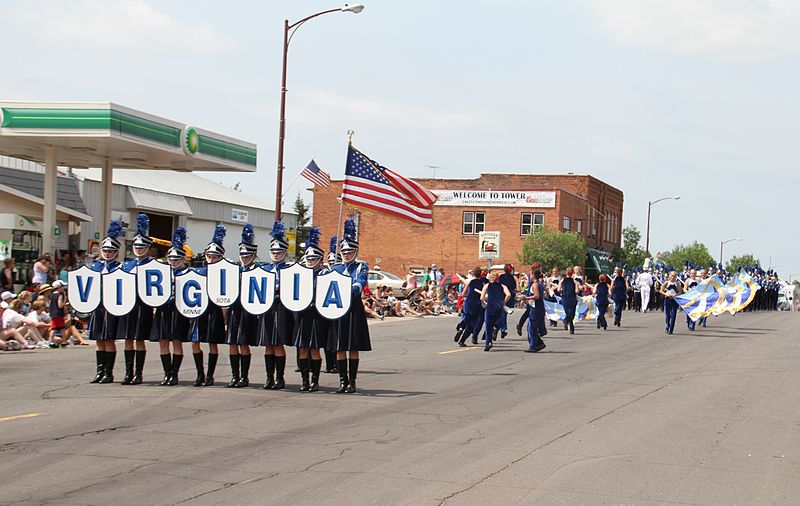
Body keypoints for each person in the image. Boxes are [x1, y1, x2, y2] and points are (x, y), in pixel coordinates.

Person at [327, 219, 371, 393]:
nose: (346, 254)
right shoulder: (335, 268)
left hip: (353, 309)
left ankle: (352, 381)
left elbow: (359, 284)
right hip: (338, 310)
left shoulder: (361, 266)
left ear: (355, 251)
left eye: (349, 251)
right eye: (344, 251)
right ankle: (342, 381)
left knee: (352, 346)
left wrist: (348, 288)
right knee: (339, 347)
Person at [152, 227, 194, 386]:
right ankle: (166, 373)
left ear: (183, 260)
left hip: (179, 310)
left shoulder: (188, 273)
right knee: (163, 342)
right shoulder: (162, 273)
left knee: (176, 342)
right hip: (164, 309)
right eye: (171, 259)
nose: (173, 262)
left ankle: (174, 374)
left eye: (177, 259)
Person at [117, 213, 154, 385]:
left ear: (147, 248)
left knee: (139, 339)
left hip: (143, 306)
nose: (139, 249)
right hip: (128, 305)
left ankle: (138, 374)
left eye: (142, 247)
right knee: (127, 339)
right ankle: (128, 372)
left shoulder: (153, 265)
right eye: (136, 247)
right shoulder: (126, 265)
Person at [88, 221, 124, 383]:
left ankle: (109, 372)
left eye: (111, 251)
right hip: (98, 306)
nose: (107, 253)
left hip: (111, 306)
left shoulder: (120, 268)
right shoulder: (94, 266)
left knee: (109, 339)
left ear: (116, 252)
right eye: (105, 250)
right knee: (98, 339)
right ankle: (99, 371)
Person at [294, 226, 328, 392]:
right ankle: (304, 380)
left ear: (320, 260)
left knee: (314, 348)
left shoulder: (324, 274)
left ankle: (315, 380)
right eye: (308, 259)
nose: (310, 262)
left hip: (316, 315)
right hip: (302, 315)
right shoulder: (299, 273)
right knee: (302, 348)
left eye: (314, 260)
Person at [193, 224, 227, 386]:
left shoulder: (225, 273)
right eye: (209, 255)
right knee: (195, 342)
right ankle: (199, 374)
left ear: (220, 257)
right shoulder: (197, 272)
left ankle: (210, 375)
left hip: (214, 310)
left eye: (215, 256)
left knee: (212, 342)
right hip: (198, 310)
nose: (211, 258)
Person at [260, 221, 293, 390]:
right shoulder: (264, 268)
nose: (276, 254)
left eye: (279, 251)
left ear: (285, 252)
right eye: (273, 251)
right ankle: (269, 378)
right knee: (268, 345)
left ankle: (280, 378)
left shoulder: (289, 269)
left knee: (278, 344)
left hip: (280, 308)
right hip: (266, 308)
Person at [226, 224, 259, 387]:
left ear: (253, 255)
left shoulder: (258, 271)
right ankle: (234, 375)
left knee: (243, 343)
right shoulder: (234, 270)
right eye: (242, 255)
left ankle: (244, 377)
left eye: (247, 256)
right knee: (232, 343)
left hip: (247, 311)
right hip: (234, 309)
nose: (244, 258)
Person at [480, 270, 511, 351]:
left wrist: (485, 301)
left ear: (490, 278)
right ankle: (496, 327)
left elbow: (481, 297)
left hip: (490, 306)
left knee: (488, 325)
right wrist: (503, 302)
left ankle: (488, 342)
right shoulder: (503, 286)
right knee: (498, 321)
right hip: (499, 306)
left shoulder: (486, 285)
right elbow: (508, 295)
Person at [456, 267, 487, 347]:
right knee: (471, 325)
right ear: (480, 274)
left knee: (466, 319)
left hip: (468, 303)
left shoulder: (469, 282)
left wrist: (468, 293)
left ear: (473, 274)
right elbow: (483, 296)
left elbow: (463, 294)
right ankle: (462, 341)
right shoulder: (483, 284)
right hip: (476, 304)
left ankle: (460, 328)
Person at [521, 269, 547, 352]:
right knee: (532, 327)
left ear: (533, 275)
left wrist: (526, 298)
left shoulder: (535, 285)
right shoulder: (540, 284)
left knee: (531, 328)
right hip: (538, 307)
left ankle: (533, 346)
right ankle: (539, 343)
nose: (529, 276)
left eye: (530, 275)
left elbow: (537, 296)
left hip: (536, 308)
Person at [497, 263, 517, 339]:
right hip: (510, 296)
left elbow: (499, 285)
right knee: (503, 314)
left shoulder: (501, 277)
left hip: (501, 295)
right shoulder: (512, 278)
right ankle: (502, 329)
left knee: (501, 313)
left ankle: (502, 329)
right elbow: (514, 287)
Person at [660, 270, 683, 335]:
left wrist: (676, 294)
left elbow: (680, 291)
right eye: (672, 276)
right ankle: (667, 326)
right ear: (669, 276)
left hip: (674, 300)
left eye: (674, 276)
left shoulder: (677, 283)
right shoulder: (666, 283)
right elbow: (661, 290)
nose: (673, 277)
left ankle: (671, 329)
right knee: (668, 315)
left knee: (673, 315)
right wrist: (666, 294)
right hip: (667, 300)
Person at [557, 269, 578, 335]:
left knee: (568, 313)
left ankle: (566, 320)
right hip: (572, 298)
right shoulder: (574, 281)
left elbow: (558, 290)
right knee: (572, 314)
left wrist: (563, 290)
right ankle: (571, 328)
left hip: (565, 298)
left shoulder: (562, 281)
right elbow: (577, 291)